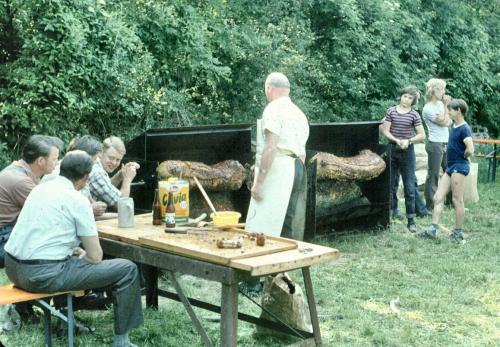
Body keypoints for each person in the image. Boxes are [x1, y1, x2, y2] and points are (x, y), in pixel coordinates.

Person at [3, 151, 143, 347]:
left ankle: (66, 320)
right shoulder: (78, 200)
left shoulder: (40, 188)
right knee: (127, 268)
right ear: (86, 178)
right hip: (40, 277)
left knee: (69, 260)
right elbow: (96, 257)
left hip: (13, 269)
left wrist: (73, 252)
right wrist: (84, 255)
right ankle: (122, 341)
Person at [245, 72, 309, 240]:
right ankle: (284, 264)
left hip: (280, 168)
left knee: (266, 223)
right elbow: (302, 153)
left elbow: (271, 147)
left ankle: (264, 261)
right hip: (298, 167)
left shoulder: (273, 109)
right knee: (286, 219)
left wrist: (259, 182)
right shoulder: (299, 113)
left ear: (269, 88)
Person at [0, 135, 63, 268]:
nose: (57, 163)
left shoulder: (20, 170)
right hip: (3, 241)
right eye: (54, 159)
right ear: (40, 161)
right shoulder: (21, 181)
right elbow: (52, 213)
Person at [422, 99, 474, 241]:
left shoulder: (464, 128)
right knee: (438, 197)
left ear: (458, 111)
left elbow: (470, 149)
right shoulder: (454, 125)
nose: (448, 111)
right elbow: (444, 119)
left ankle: (457, 233)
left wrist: (464, 156)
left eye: (450, 109)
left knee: (457, 200)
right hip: (450, 167)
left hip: (459, 166)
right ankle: (432, 230)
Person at [381, 85, 426, 233]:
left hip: (407, 151)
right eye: (405, 96)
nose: (406, 100)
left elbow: (422, 135)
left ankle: (411, 220)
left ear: (413, 101)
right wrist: (396, 139)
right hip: (392, 149)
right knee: (391, 185)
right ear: (401, 96)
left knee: (409, 186)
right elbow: (385, 130)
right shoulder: (391, 111)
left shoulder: (414, 114)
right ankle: (390, 215)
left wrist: (409, 141)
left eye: (410, 98)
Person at [42, 135, 108, 217]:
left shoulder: (80, 172)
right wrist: (90, 209)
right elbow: (60, 212)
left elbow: (88, 202)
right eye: (94, 159)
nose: (95, 163)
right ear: (84, 156)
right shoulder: (56, 175)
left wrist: (96, 207)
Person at [422, 78, 452, 210]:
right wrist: (446, 107)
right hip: (435, 144)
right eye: (441, 89)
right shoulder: (428, 108)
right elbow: (446, 122)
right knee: (433, 174)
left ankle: (451, 202)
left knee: (450, 172)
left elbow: (451, 119)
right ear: (433, 90)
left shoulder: (440, 105)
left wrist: (446, 114)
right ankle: (430, 205)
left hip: (445, 142)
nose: (444, 92)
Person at [88, 136, 139, 208]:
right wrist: (127, 180)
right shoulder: (97, 173)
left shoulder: (97, 166)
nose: (114, 163)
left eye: (118, 160)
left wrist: (120, 174)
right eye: (111, 158)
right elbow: (122, 205)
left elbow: (107, 188)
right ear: (101, 153)